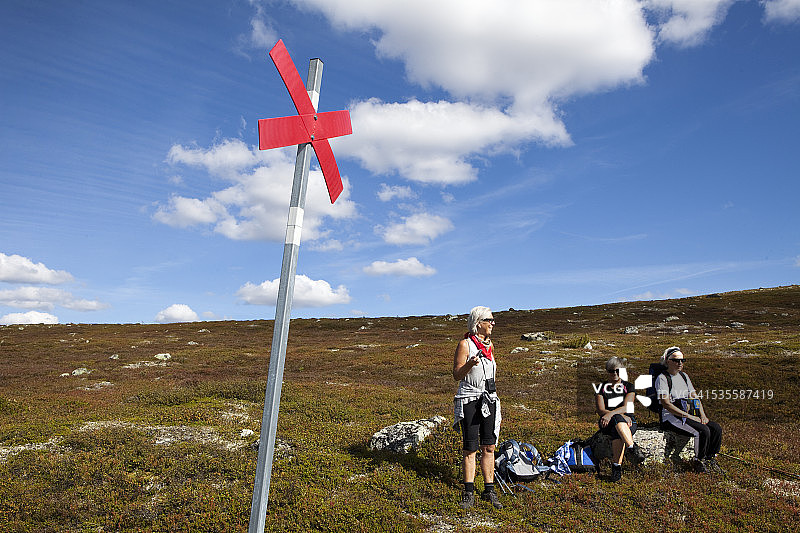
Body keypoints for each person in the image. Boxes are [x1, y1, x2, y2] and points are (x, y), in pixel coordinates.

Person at [452, 306, 502, 510]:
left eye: (492, 320)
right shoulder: (465, 344)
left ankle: (489, 490)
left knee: (489, 446)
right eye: (489, 320)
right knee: (470, 448)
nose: (492, 323)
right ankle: (469, 492)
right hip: (470, 400)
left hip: (488, 399)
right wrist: (470, 365)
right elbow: (456, 374)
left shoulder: (490, 345)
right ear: (478, 322)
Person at [656, 346, 723, 473]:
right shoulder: (662, 378)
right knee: (702, 431)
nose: (680, 363)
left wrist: (702, 415)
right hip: (671, 417)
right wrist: (690, 417)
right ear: (668, 361)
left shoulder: (684, 376)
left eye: (682, 360)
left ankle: (711, 458)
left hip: (685, 415)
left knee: (716, 429)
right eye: (676, 360)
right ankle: (699, 461)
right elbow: (666, 404)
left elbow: (694, 398)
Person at [594, 356, 646, 482]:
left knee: (617, 433)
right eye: (612, 371)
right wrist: (616, 415)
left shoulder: (629, 386)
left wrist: (612, 414)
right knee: (617, 420)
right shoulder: (601, 388)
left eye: (618, 371)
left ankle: (616, 468)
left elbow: (627, 406)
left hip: (627, 421)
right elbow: (601, 410)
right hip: (607, 422)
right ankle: (632, 448)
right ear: (607, 371)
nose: (615, 374)